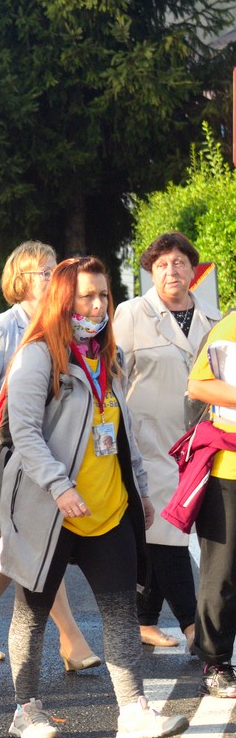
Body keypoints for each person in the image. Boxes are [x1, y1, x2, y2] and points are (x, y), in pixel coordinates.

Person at [0, 257, 187, 738]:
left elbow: (124, 434)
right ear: (64, 300)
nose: (98, 305)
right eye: (87, 296)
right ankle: (26, 710)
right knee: (32, 613)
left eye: (104, 295)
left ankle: (133, 712)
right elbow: (25, 433)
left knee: (121, 612)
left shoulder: (107, 358)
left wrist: (140, 491)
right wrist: (60, 486)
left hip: (108, 510)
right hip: (48, 511)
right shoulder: (38, 356)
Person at [0, 242, 100, 670]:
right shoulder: (2, 329)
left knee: (13, 545)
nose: (54, 279)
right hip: (10, 457)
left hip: (55, 456)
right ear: (21, 281)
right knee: (35, 542)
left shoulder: (65, 327)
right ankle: (72, 640)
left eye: (55, 270)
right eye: (44, 272)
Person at [115, 233, 218, 651]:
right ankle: (193, 626)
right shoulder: (132, 314)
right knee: (166, 530)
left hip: (198, 443)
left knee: (163, 531)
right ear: (151, 273)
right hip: (149, 443)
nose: (171, 271)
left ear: (193, 270)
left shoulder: (212, 318)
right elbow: (114, 376)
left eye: (178, 263)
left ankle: (144, 619)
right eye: (161, 265)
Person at [184, 292, 236, 697]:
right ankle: (215, 663)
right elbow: (198, 384)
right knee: (222, 572)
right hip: (228, 471)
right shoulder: (231, 326)